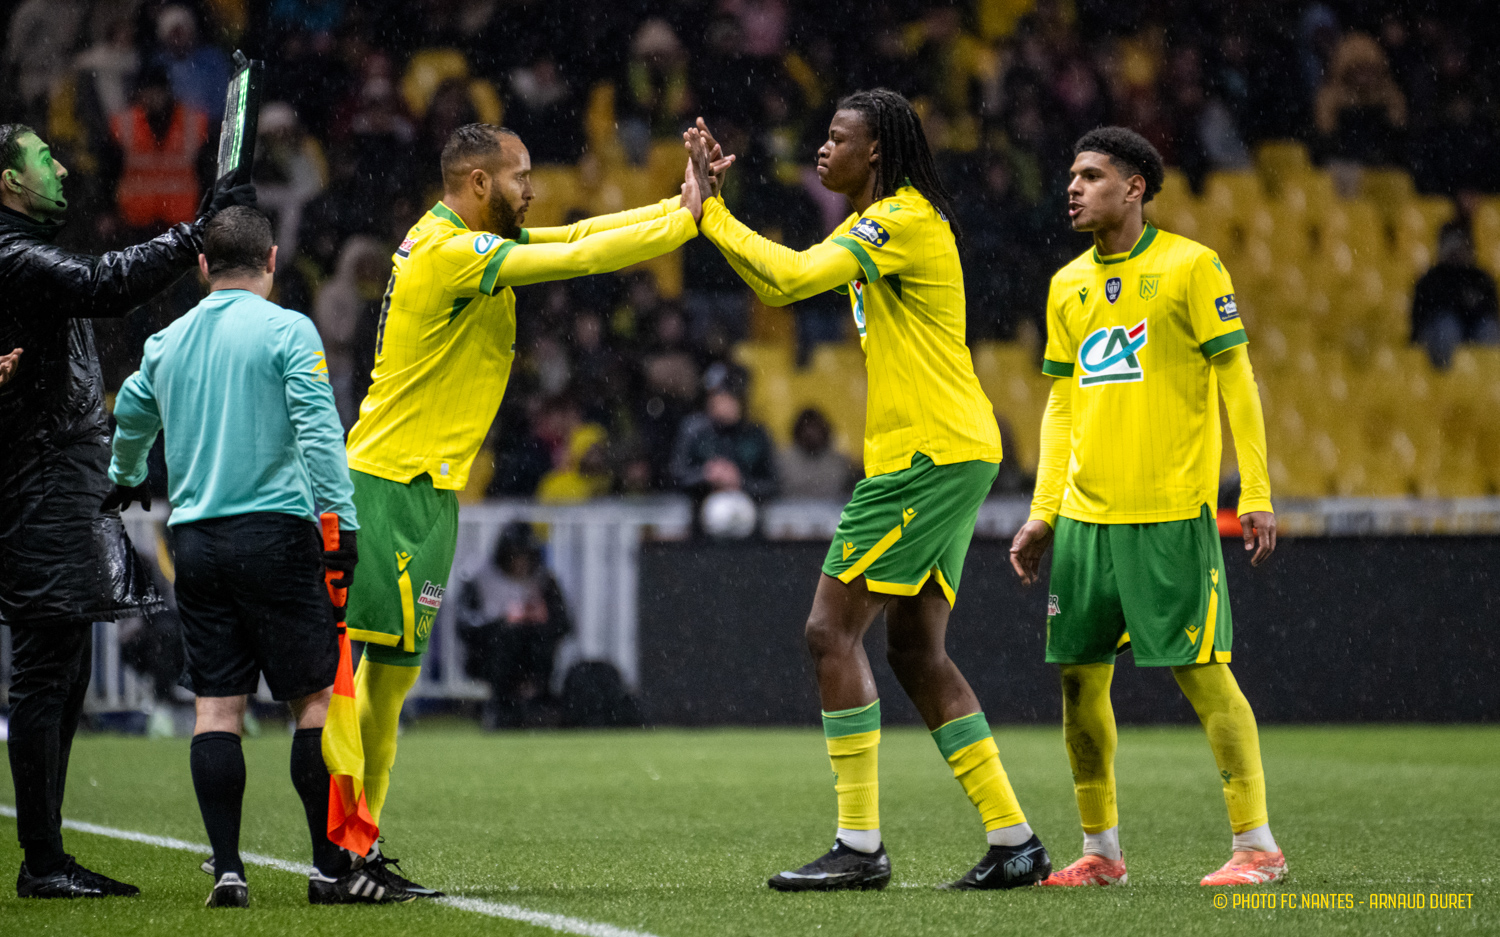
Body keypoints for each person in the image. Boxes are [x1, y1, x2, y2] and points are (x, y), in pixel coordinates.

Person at [687, 89, 1051, 892]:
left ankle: (859, 845)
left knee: (829, 631)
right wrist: (713, 217)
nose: (822, 149)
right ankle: (1014, 839)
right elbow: (779, 286)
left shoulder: (902, 220)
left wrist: (710, 214)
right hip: (945, 451)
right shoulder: (884, 223)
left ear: (876, 149)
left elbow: (790, 280)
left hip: (927, 455)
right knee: (916, 652)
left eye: (836, 137)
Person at [339, 122, 707, 896]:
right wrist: (682, 223)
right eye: (520, 177)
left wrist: (677, 206)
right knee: (349, 680)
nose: (531, 189)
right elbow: (576, 257)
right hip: (383, 483)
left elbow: (573, 235)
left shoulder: (471, 244)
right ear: (478, 183)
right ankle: (338, 851)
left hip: (431, 490)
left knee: (390, 687)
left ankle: (358, 845)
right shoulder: (447, 251)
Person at [1009, 127, 1284, 889]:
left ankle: (1258, 845)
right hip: (1085, 521)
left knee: (1203, 675)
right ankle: (1101, 851)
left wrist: (1255, 491)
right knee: (1078, 683)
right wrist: (1044, 510)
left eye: (1092, 175)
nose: (1073, 187)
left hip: (1168, 513)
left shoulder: (1192, 266)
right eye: (1072, 174)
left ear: (1134, 188)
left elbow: (1237, 378)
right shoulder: (1067, 284)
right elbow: (1063, 403)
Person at [107, 206, 402, 907]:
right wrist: (342, 523)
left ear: (202, 266)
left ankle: (229, 869)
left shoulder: (166, 341)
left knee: (217, 709)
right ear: (272, 260)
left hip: (197, 542)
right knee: (314, 700)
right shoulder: (288, 330)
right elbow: (320, 432)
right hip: (277, 535)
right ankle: (329, 869)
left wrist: (126, 473)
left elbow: (132, 415)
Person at [0, 122, 253, 899]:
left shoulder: (23, 253)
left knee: (64, 669)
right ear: (9, 182)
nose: (61, 167)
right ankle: (43, 861)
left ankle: (47, 853)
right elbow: (107, 282)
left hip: (57, 485)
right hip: (38, 489)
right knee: (46, 670)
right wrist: (195, 233)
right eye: (44, 158)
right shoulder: (11, 253)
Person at [456, 522, 571, 729]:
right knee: (507, 637)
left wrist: (539, 619)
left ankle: (536, 701)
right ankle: (502, 705)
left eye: (525, 556)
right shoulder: (480, 577)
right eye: (515, 556)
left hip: (534, 654)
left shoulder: (543, 580)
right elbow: (464, 625)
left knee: (538, 638)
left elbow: (564, 623)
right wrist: (501, 622)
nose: (520, 563)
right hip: (491, 654)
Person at [669, 370, 779, 502]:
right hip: (700, 505)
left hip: (747, 506)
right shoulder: (694, 430)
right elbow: (675, 478)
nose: (721, 402)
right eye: (715, 395)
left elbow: (774, 485)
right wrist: (705, 475)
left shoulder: (757, 435)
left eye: (728, 396)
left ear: (740, 400)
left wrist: (740, 482)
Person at [1410, 222, 1500, 369]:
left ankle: (1488, 375)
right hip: (1440, 336)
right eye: (1451, 245)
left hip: (1472, 331)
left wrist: (1469, 307)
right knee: (1447, 327)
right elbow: (1420, 320)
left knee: (1489, 329)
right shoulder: (1430, 280)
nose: (1456, 251)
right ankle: (1443, 377)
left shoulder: (1480, 278)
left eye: (1460, 245)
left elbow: (1490, 314)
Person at [776, 408, 856, 500]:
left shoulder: (840, 462)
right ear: (798, 432)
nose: (811, 433)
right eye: (807, 428)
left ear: (824, 431)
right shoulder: (783, 462)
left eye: (815, 428)